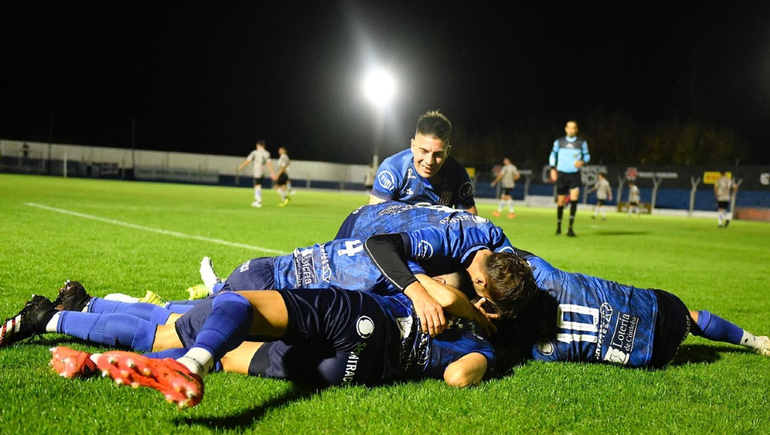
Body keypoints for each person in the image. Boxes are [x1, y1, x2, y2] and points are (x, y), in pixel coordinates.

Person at [5, 276, 495, 408]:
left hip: (362, 320)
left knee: (220, 311)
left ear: (489, 300)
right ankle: (76, 316)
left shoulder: (468, 310)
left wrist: (470, 310)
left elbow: (441, 290)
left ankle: (49, 318)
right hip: (354, 373)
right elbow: (456, 376)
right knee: (194, 328)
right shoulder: (493, 353)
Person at [473, 249, 770, 369]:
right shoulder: (546, 273)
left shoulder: (534, 347)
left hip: (652, 357)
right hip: (665, 311)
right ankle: (755, 341)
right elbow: (515, 257)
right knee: (690, 317)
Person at [369, 110, 477, 214]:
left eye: (438, 154)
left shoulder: (458, 175)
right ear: (413, 145)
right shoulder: (393, 169)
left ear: (447, 152)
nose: (429, 161)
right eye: (424, 151)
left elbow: (472, 225)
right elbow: (374, 219)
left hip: (437, 233)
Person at [549, 121, 590, 237]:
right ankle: (558, 227)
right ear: (566, 129)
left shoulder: (581, 142)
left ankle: (570, 228)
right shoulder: (559, 141)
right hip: (562, 173)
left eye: (573, 128)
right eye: (569, 128)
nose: (571, 130)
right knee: (561, 201)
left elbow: (587, 156)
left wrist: (582, 161)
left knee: (574, 197)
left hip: (574, 174)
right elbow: (553, 155)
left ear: (576, 130)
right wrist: (553, 168)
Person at [236, 140, 276, 208]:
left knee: (257, 185)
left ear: (257, 145)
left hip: (257, 170)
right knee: (257, 184)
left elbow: (248, 160)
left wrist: (241, 166)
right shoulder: (267, 153)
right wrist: (272, 172)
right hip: (263, 171)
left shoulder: (255, 152)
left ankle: (258, 201)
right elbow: (269, 163)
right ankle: (256, 200)